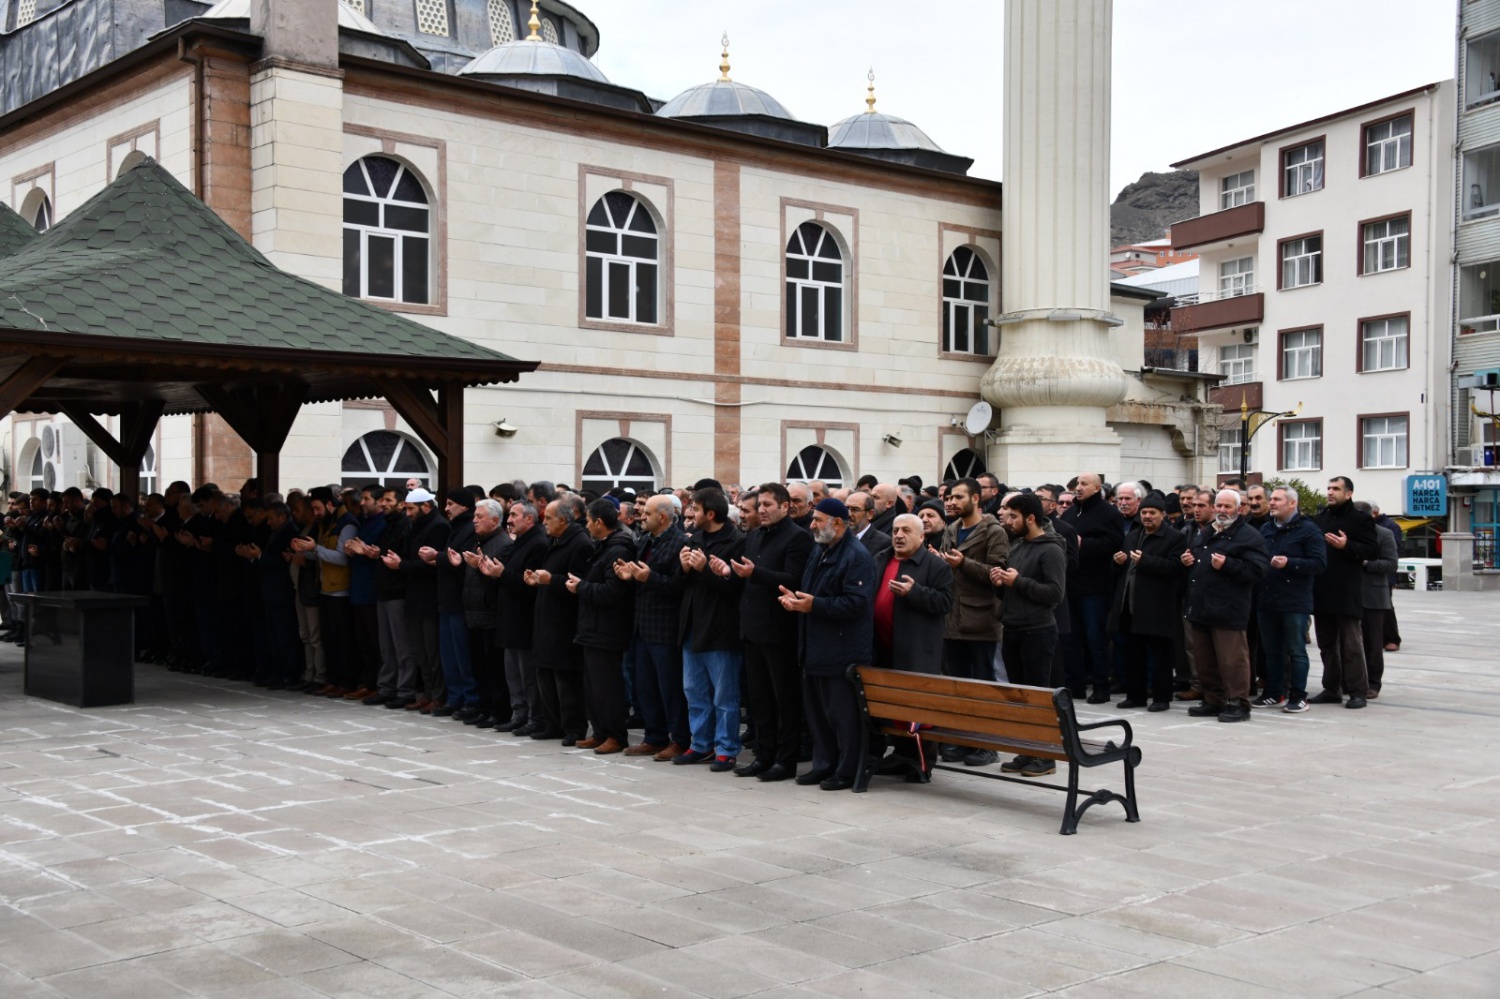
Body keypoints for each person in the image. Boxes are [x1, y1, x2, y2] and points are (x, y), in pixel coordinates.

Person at [779, 498, 875, 791]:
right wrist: (796, 601)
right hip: (814, 647)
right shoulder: (820, 549)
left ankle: (846, 770)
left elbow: (857, 604)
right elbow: (810, 592)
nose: (812, 525)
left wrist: (814, 606)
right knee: (818, 714)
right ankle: (824, 765)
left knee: (842, 715)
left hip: (842, 651)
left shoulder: (856, 556)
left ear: (837, 522)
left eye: (818, 520)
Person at [729, 483, 813, 781]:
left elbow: (793, 579)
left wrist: (755, 573)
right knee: (759, 699)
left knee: (784, 700)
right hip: (752, 629)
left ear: (785, 506)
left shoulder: (798, 538)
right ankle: (764, 755)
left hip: (780, 632)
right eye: (760, 505)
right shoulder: (754, 537)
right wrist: (728, 573)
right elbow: (747, 578)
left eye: (767, 505)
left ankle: (785, 760)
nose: (762, 510)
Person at [991, 491, 1068, 777]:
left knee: (1037, 696)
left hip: (1037, 631)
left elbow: (1054, 594)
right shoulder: (1018, 546)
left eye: (1013, 516)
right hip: (1013, 628)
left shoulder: (1051, 549)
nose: (1007, 521)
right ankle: (1027, 750)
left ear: (1031, 518)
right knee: (1019, 696)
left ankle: (1045, 756)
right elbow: (1012, 588)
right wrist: (1000, 582)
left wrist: (1018, 581)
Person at [1181, 488, 1269, 722]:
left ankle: (1237, 702)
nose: (1222, 510)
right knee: (1204, 660)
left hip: (1228, 609)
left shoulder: (1249, 535)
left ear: (1239, 509)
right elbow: (1198, 558)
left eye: (1227, 506)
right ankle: (1213, 699)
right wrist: (1187, 560)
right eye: (1219, 506)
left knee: (1232, 661)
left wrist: (1229, 564)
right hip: (1201, 606)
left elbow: (1258, 570)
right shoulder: (1207, 531)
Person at [672, 488, 745, 771]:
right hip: (692, 626)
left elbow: (735, 589)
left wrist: (704, 570)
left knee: (724, 695)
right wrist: (684, 568)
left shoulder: (737, 542)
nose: (690, 513)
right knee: (694, 691)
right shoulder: (696, 539)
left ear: (711, 514)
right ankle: (700, 744)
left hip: (720, 629)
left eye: (696, 509)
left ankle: (726, 748)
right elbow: (681, 585)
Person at [618, 494, 691, 759]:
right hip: (641, 625)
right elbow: (640, 577)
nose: (642, 517)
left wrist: (650, 577)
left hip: (665, 628)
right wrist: (629, 576)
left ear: (662, 516)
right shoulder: (645, 540)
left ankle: (679, 738)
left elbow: (680, 587)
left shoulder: (681, 542)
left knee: (670, 688)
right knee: (645, 686)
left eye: (647, 513)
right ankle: (655, 736)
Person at [567, 499, 637, 753]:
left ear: (599, 522)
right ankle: (599, 731)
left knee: (608, 686)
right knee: (593, 685)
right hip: (591, 627)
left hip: (607, 629)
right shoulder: (604, 547)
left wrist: (581, 587)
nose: (586, 525)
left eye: (588, 520)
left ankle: (615, 735)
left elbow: (613, 591)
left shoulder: (618, 550)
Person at [1108, 493, 1185, 711]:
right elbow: (1122, 568)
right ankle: (1136, 695)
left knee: (1160, 655)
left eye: (1152, 513)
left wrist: (1146, 561)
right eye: (1144, 513)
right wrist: (1117, 562)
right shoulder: (1133, 535)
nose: (1147, 517)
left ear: (1162, 515)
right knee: (1133, 652)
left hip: (1156, 605)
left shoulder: (1174, 537)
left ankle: (1161, 697)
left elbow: (1175, 568)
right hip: (1129, 603)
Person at [526, 497, 593, 743]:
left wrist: (550, 580)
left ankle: (574, 728)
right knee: (545, 676)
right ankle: (553, 724)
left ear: (563, 520)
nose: (544, 522)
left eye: (549, 518)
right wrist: (537, 580)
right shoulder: (555, 541)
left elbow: (578, 584)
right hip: (547, 619)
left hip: (565, 623)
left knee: (566, 681)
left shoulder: (580, 544)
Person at [1254, 486, 1326, 712]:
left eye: (1277, 499)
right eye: (1271, 499)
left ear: (1292, 503)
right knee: (1271, 650)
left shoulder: (1308, 530)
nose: (1271, 503)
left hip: (1294, 600)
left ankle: (1298, 695)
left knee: (1296, 650)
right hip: (1267, 598)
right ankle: (1274, 693)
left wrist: (1290, 563)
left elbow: (1319, 563)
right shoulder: (1266, 528)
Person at [1310, 476, 1378, 709]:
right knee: (1326, 644)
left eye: (1336, 489)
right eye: (1328, 488)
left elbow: (1372, 550)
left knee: (1351, 645)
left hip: (1347, 590)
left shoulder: (1359, 519)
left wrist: (1346, 546)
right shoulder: (1320, 519)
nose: (1330, 492)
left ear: (1348, 493)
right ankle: (1331, 688)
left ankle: (1358, 691)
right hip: (1322, 589)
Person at [1060, 471, 1125, 704]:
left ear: (1097, 488)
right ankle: (1075, 685)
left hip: (1095, 586)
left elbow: (1115, 543)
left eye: (1084, 484)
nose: (1079, 487)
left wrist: (1083, 544)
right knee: (1071, 638)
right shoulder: (1070, 512)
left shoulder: (1109, 513)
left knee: (1095, 638)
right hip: (1070, 584)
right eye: (1077, 483)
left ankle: (1100, 687)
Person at [485, 500, 548, 733]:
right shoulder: (520, 541)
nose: (508, 520)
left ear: (529, 519)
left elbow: (530, 583)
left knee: (527, 674)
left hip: (524, 619)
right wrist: (493, 573)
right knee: (512, 672)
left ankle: (534, 717)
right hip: (509, 618)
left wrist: (502, 574)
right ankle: (518, 713)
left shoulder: (538, 544)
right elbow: (510, 575)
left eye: (513, 515)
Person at [383, 487, 448, 712]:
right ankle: (428, 693)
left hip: (429, 599)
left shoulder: (438, 526)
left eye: (411, 508)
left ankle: (438, 696)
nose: (407, 512)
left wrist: (401, 565)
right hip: (414, 596)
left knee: (432, 652)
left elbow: (430, 564)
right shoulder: (417, 525)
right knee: (420, 651)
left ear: (426, 506)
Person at [1355, 501, 1398, 699]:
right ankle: (1352, 681)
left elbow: (1390, 564)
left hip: (1374, 596)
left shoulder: (1384, 534)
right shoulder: (1346, 534)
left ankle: (1373, 683)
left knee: (1373, 644)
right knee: (1350, 644)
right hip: (1349, 595)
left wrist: (1365, 563)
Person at [845, 491, 890, 558]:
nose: (849, 514)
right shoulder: (838, 538)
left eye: (855, 509)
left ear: (870, 514)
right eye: (846, 508)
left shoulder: (883, 542)